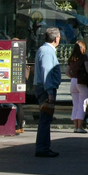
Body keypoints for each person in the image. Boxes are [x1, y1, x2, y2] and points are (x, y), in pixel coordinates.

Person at [33, 27, 62, 158]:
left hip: (43, 88)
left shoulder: (44, 50)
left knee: (46, 118)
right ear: (56, 39)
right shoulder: (47, 51)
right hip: (45, 89)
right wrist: (50, 91)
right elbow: (47, 71)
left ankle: (44, 146)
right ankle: (42, 147)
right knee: (45, 119)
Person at [68, 41, 88, 134]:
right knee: (82, 104)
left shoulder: (71, 58)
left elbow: (67, 72)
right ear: (83, 48)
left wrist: (73, 77)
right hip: (81, 82)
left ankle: (76, 126)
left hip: (73, 81)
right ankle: (80, 127)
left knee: (75, 104)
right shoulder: (84, 57)